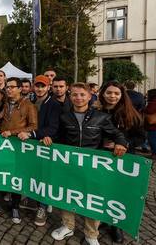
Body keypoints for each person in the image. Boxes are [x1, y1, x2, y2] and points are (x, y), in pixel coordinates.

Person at [51, 83, 128, 245]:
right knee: (67, 195)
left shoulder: (101, 117)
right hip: (70, 164)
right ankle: (67, 226)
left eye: (82, 95)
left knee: (93, 199)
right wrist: (50, 139)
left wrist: (121, 143)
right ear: (70, 97)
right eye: (75, 95)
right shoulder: (64, 116)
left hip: (93, 166)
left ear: (89, 96)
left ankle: (91, 234)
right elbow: (59, 137)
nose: (78, 98)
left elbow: (117, 134)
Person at [0, 77, 37, 224]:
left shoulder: (29, 106)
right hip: (3, 147)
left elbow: (33, 126)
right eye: (8, 87)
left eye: (12, 87)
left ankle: (15, 207)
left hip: (17, 148)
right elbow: (3, 125)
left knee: (15, 178)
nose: (9, 89)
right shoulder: (6, 104)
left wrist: (12, 132)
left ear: (20, 89)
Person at [97, 81, 144, 243]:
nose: (112, 96)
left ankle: (116, 225)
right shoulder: (96, 111)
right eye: (109, 93)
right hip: (101, 159)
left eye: (116, 93)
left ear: (122, 95)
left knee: (117, 193)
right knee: (103, 190)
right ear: (103, 93)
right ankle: (103, 219)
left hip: (122, 160)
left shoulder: (130, 113)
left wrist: (124, 144)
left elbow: (140, 137)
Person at [17, 75, 60, 226]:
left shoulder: (54, 104)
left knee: (44, 176)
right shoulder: (31, 102)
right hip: (31, 145)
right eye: (38, 86)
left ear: (48, 88)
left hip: (44, 144)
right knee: (32, 173)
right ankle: (32, 199)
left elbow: (53, 127)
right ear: (33, 87)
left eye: (43, 86)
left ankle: (42, 206)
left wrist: (33, 134)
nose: (40, 89)